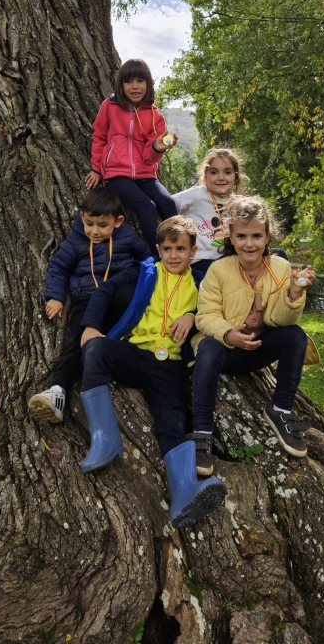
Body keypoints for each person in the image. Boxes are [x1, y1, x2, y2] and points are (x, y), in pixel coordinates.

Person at [78, 216, 227, 528]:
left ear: (193, 251)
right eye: (168, 248)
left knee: (173, 419)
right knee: (96, 350)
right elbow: (105, 291)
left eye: (181, 249)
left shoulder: (200, 282)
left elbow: (215, 308)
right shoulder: (144, 270)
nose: (174, 255)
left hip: (169, 364)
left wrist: (191, 314)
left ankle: (184, 494)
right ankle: (104, 439)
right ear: (159, 249)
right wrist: (92, 327)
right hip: (135, 352)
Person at [189, 196, 319, 476]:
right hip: (224, 350)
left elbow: (280, 320)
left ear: (268, 235)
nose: (250, 243)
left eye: (257, 236)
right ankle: (201, 432)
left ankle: (280, 410)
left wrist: (295, 294)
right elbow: (205, 315)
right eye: (242, 236)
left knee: (295, 335)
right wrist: (228, 334)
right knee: (208, 347)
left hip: (258, 347)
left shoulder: (281, 268)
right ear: (230, 237)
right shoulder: (218, 270)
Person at [28, 187, 150, 423]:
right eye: (90, 223)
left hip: (119, 301)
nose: (95, 231)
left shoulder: (127, 237)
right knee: (78, 340)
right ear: (82, 217)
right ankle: (57, 392)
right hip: (88, 301)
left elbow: (146, 261)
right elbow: (59, 267)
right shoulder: (76, 241)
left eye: (103, 225)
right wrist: (55, 296)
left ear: (118, 221)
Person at [85, 58, 178, 255]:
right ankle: (159, 256)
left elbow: (148, 158)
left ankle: (178, 246)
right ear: (121, 84)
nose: (134, 87)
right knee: (147, 207)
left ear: (148, 84)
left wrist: (157, 147)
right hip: (117, 174)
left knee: (168, 203)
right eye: (128, 82)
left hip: (145, 175)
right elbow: (99, 136)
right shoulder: (110, 106)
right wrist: (96, 169)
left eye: (140, 81)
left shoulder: (155, 117)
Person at [174, 147, 246, 275]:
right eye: (214, 172)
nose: (221, 177)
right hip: (200, 261)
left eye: (227, 172)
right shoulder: (196, 195)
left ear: (236, 176)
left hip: (228, 258)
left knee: (278, 254)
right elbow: (165, 205)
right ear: (205, 176)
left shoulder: (238, 204)